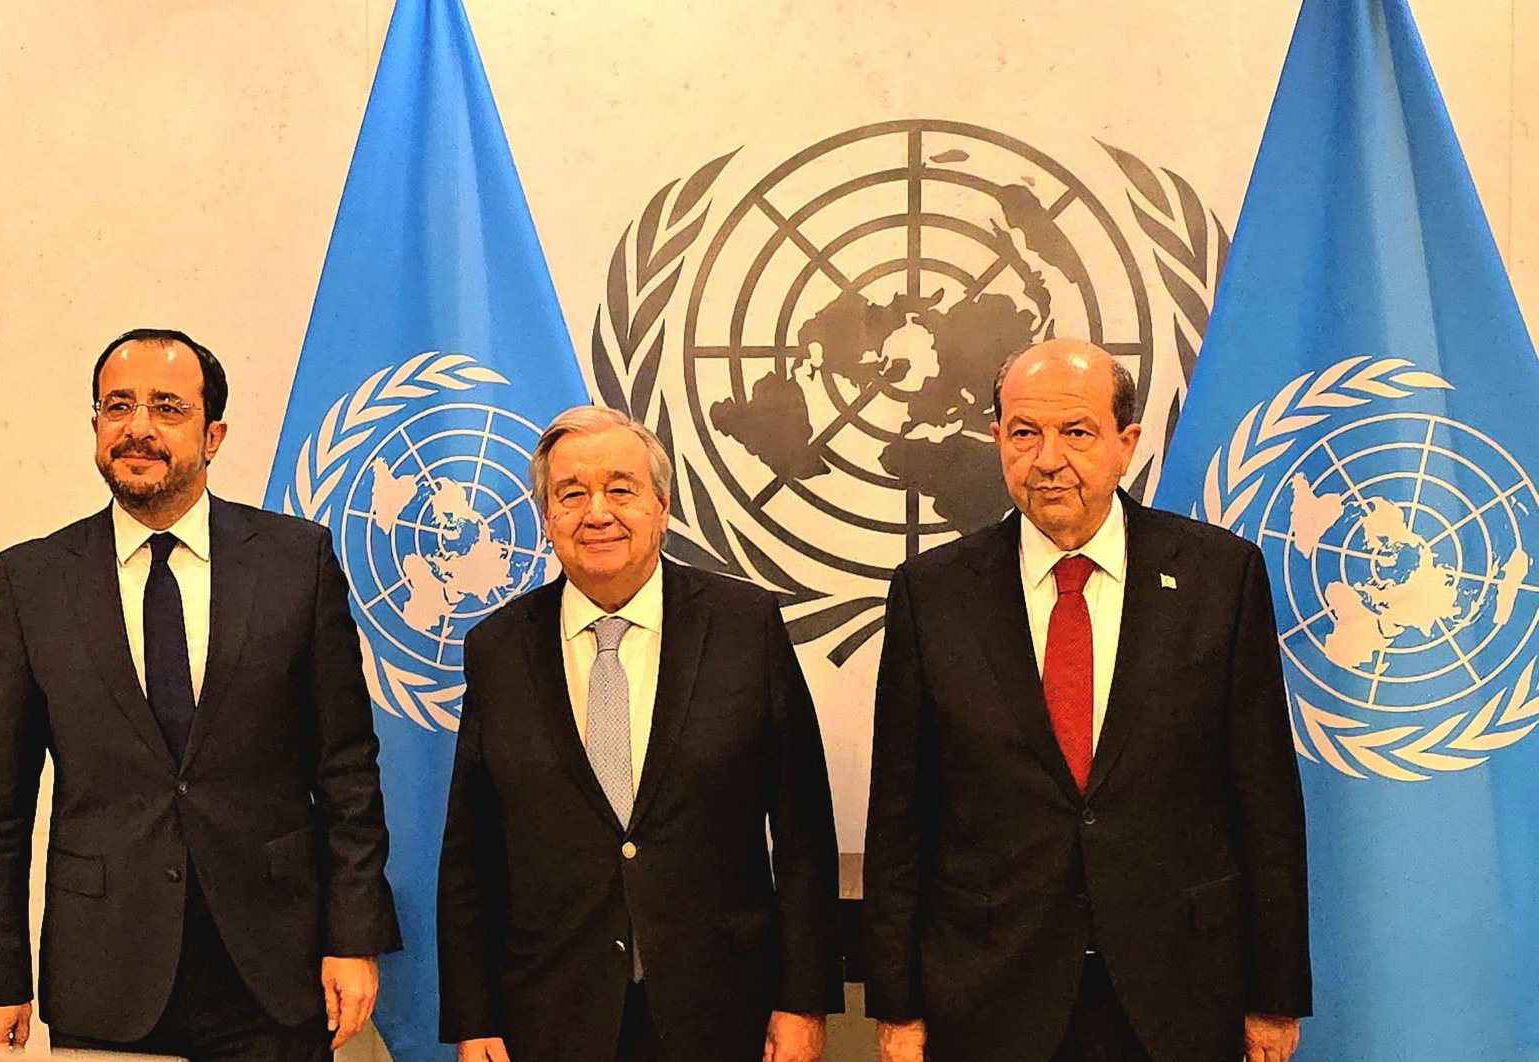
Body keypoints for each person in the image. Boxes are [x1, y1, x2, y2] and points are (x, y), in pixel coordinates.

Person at [862, 339, 1311, 1062]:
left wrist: (1275, 993)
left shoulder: (1219, 577)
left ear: (1125, 444)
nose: (1047, 459)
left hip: (1180, 992)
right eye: (1023, 433)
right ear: (996, 440)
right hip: (989, 992)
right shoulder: (932, 592)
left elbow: (1264, 801)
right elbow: (901, 816)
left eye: (1076, 433)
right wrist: (896, 1004)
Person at [0, 328, 402, 1060]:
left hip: (273, 966)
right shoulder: (30, 582)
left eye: (167, 407)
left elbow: (348, 772)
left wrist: (353, 938)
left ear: (214, 435)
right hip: (105, 967)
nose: (139, 428)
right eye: (118, 406)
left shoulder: (298, 563)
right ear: (96, 427)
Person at [437, 406, 842, 1062]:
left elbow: (803, 833)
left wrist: (803, 1001)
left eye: (621, 488)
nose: (598, 512)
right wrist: (473, 1018)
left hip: (721, 1009)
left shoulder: (745, 626)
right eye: (571, 494)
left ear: (661, 504)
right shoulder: (497, 649)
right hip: (548, 1014)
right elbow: (471, 852)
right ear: (546, 519)